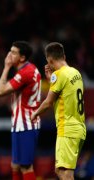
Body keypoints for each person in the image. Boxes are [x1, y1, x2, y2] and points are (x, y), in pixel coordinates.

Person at [31, 42, 86, 180]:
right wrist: (52, 82)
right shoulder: (76, 73)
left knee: (65, 173)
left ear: (49, 60)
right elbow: (65, 94)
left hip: (67, 129)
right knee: (60, 170)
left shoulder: (58, 75)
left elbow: (48, 102)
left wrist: (34, 114)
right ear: (64, 56)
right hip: (79, 128)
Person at [0, 41, 41, 180]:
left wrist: (6, 67)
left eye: (14, 52)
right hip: (21, 123)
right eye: (10, 51)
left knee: (25, 166)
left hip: (26, 124)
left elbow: (0, 91)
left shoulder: (25, 73)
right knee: (15, 165)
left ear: (22, 58)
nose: (9, 55)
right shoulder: (29, 69)